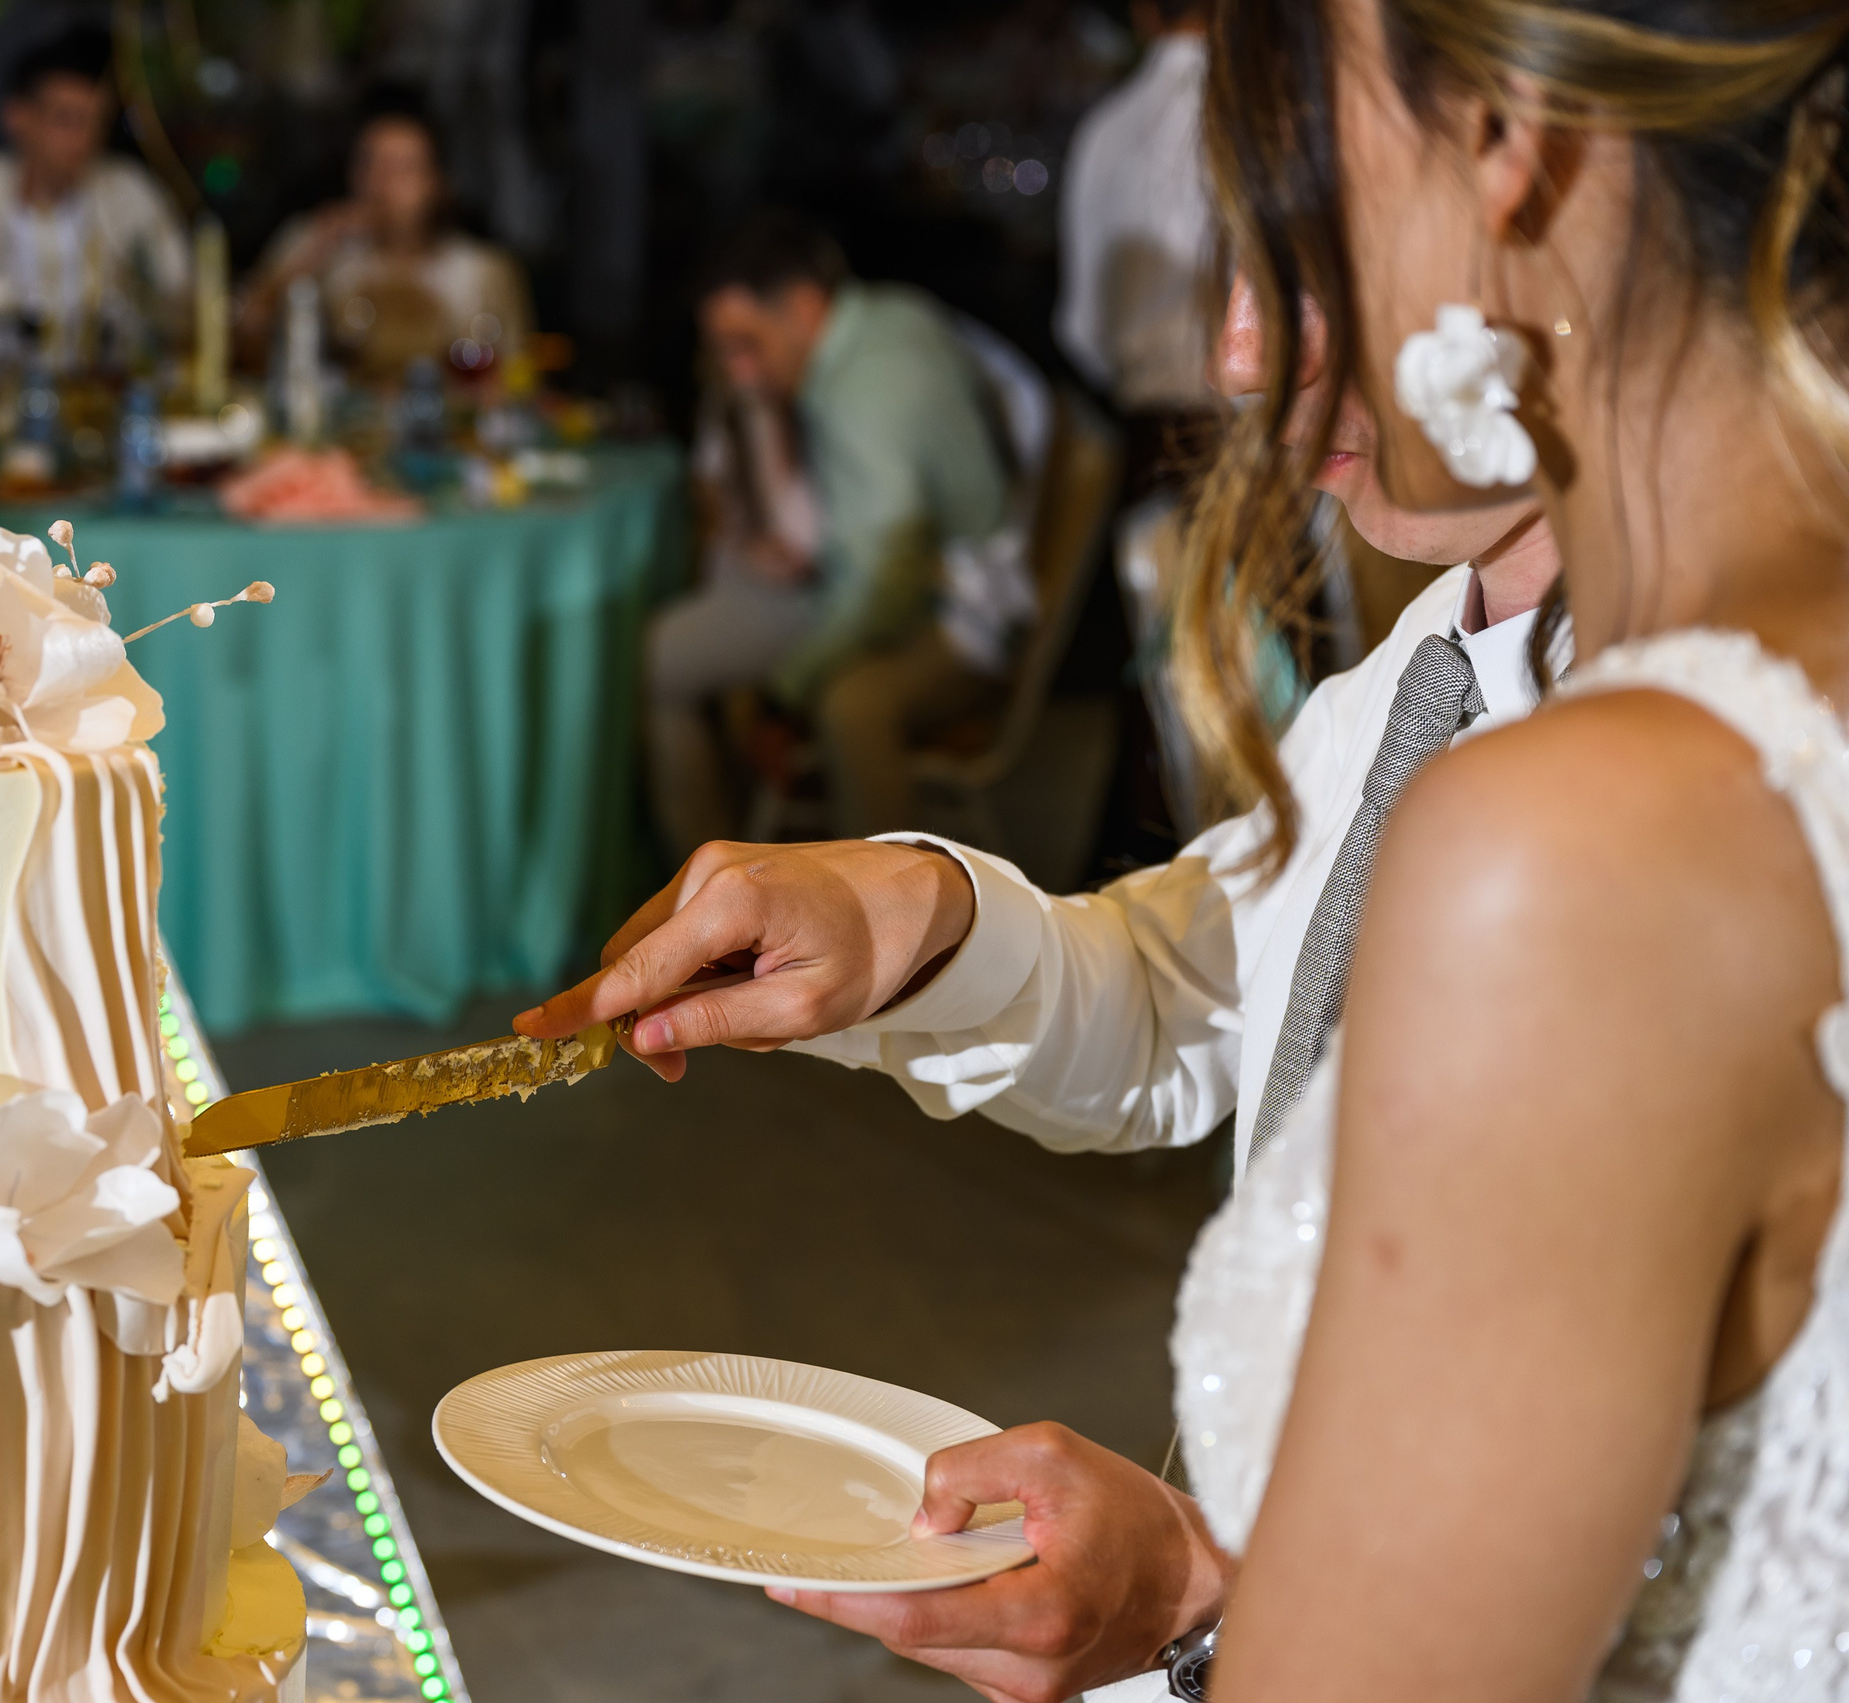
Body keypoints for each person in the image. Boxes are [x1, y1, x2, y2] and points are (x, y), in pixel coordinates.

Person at [543, 0, 1849, 1696]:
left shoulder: (1586, 830)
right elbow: (1235, 977)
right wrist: (929, 912)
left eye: (1293, 233)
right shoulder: (1440, 664)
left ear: (1513, 151)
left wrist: (1201, 1603)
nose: (1236, 352)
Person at [646, 212, 1015, 856]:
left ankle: (869, 907)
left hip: (951, 606)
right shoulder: (889, 316)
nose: (739, 371)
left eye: (747, 343)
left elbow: (882, 586)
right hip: (882, 582)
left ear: (803, 307)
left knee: (848, 706)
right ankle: (722, 872)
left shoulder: (866, 391)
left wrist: (784, 696)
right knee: (673, 655)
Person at [0, 23, 188, 367]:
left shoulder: (130, 195)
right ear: (17, 116)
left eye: (94, 122)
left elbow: (178, 301)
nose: (83, 139)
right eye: (66, 120)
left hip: (96, 388)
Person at [239, 99, 533, 386]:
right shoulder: (316, 244)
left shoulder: (483, 272)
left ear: (438, 184)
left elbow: (514, 377)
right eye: (369, 164)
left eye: (403, 168)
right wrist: (312, 253)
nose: (381, 182)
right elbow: (243, 337)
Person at [1053, 0, 1218, 486]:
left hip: (1149, 439)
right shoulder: (1274, 117)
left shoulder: (1102, 131)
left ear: (1144, 14)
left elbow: (1082, 330)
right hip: (1261, 425)